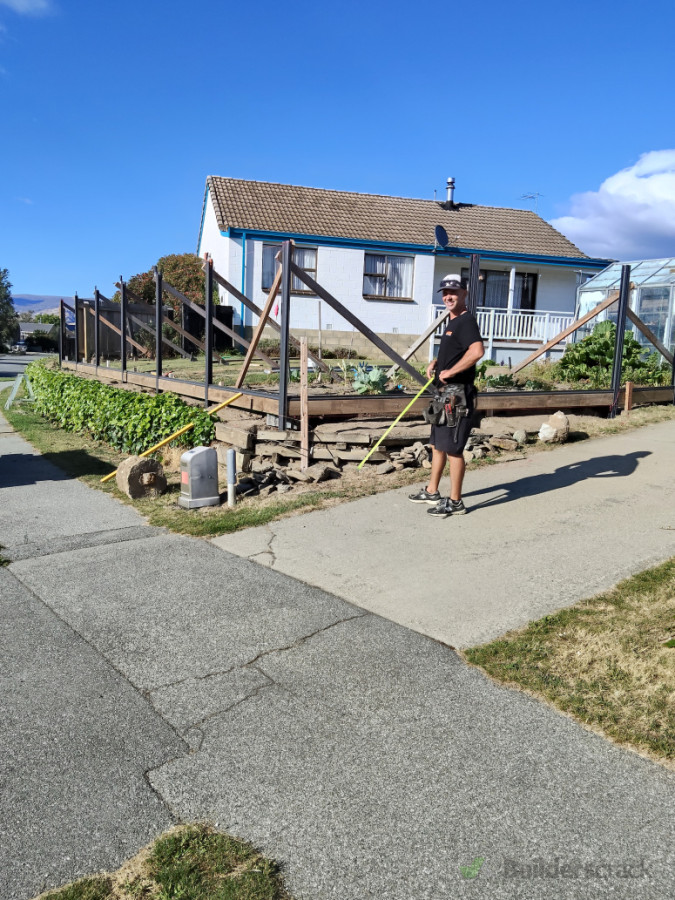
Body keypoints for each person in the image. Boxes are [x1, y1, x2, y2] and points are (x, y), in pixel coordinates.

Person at [409, 274, 485, 517]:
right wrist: (437, 362)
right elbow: (459, 351)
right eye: (444, 292)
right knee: (437, 445)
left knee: (453, 449)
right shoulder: (452, 322)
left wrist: (451, 371)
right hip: (444, 393)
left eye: (453, 292)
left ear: (464, 294)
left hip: (456, 395)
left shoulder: (466, 321)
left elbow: (476, 351)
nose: (448, 296)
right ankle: (432, 491)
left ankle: (455, 502)